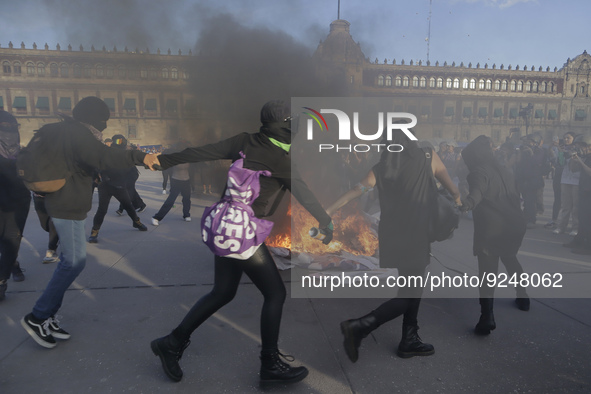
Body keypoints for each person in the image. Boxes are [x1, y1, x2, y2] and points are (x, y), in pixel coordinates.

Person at [149, 100, 332, 385]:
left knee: (222, 292)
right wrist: (326, 221)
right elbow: (304, 194)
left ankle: (171, 343)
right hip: (242, 232)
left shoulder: (245, 140)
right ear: (285, 125)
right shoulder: (281, 159)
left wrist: (164, 159)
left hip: (223, 222)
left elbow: (200, 152)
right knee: (275, 294)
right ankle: (269, 365)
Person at [20, 97, 159, 348]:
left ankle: (47, 316)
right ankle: (37, 316)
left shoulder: (65, 130)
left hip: (62, 201)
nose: (103, 126)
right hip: (66, 203)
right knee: (74, 262)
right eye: (102, 120)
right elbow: (104, 157)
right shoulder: (79, 133)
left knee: (69, 262)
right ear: (94, 118)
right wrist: (141, 156)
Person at [326, 131, 460, 363]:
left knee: (409, 286)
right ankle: (361, 326)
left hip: (393, 236)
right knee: (411, 292)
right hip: (417, 234)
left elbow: (358, 189)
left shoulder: (381, 168)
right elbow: (451, 188)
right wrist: (460, 199)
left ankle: (409, 338)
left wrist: (328, 210)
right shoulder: (427, 156)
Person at [459, 135, 530, 335]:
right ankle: (523, 296)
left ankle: (486, 317)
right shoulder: (505, 170)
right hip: (515, 224)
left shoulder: (478, 172)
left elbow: (477, 193)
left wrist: (465, 204)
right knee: (510, 258)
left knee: (487, 273)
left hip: (493, 228)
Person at [88, 134, 148, 243]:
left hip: (119, 185)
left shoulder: (126, 156)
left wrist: (127, 184)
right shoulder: (106, 154)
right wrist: (98, 176)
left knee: (128, 205)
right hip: (105, 185)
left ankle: (136, 222)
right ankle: (94, 231)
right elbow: (95, 166)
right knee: (102, 209)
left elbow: (133, 173)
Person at [0, 110, 31, 300]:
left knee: (12, 239)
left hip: (18, 201)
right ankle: (13, 264)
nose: (9, 133)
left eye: (12, 128)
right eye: (4, 128)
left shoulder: (22, 153)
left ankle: (1, 281)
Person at [152, 142, 193, 225]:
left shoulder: (187, 156)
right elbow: (180, 167)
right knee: (170, 200)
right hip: (176, 180)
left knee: (186, 199)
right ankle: (157, 217)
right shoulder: (175, 157)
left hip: (186, 180)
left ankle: (186, 215)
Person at [563, 134, 591, 255]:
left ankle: (587, 246)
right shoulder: (585, 157)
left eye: (581, 146)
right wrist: (574, 160)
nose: (580, 148)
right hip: (584, 189)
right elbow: (574, 170)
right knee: (582, 217)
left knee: (587, 219)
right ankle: (579, 240)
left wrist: (580, 161)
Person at [553, 132, 579, 236]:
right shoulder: (562, 150)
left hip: (576, 180)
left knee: (576, 206)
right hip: (565, 180)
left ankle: (575, 227)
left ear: (574, 139)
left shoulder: (577, 150)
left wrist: (568, 152)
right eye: (564, 138)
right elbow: (561, 163)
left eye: (568, 138)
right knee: (565, 205)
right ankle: (561, 226)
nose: (566, 140)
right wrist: (560, 152)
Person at [32, 192, 60, 263]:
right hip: (38, 194)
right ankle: (60, 234)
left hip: (57, 194)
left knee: (54, 221)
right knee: (46, 226)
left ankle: (51, 250)